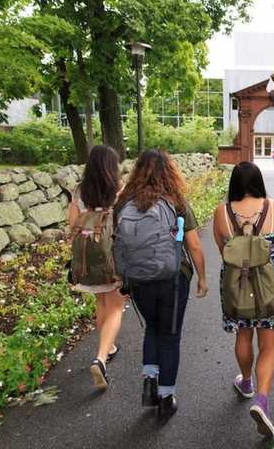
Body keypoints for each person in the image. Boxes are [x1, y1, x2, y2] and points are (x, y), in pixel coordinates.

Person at [114, 150, 208, 421]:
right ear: (170, 172)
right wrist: (202, 278)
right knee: (170, 335)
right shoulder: (177, 202)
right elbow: (194, 245)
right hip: (173, 278)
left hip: (138, 279)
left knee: (152, 328)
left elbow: (118, 243)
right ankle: (166, 397)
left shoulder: (123, 203)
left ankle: (148, 381)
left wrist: (124, 278)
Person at [212, 161, 274, 437]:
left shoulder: (221, 213)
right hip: (269, 286)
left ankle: (246, 381)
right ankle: (262, 399)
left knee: (243, 336)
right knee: (268, 344)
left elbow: (222, 249)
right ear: (258, 182)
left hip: (237, 287)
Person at [67, 145, 124, 391]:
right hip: (111, 256)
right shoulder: (119, 191)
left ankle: (108, 347)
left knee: (101, 303)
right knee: (116, 306)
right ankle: (101, 358)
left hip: (87, 258)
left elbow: (72, 226)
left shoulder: (79, 192)